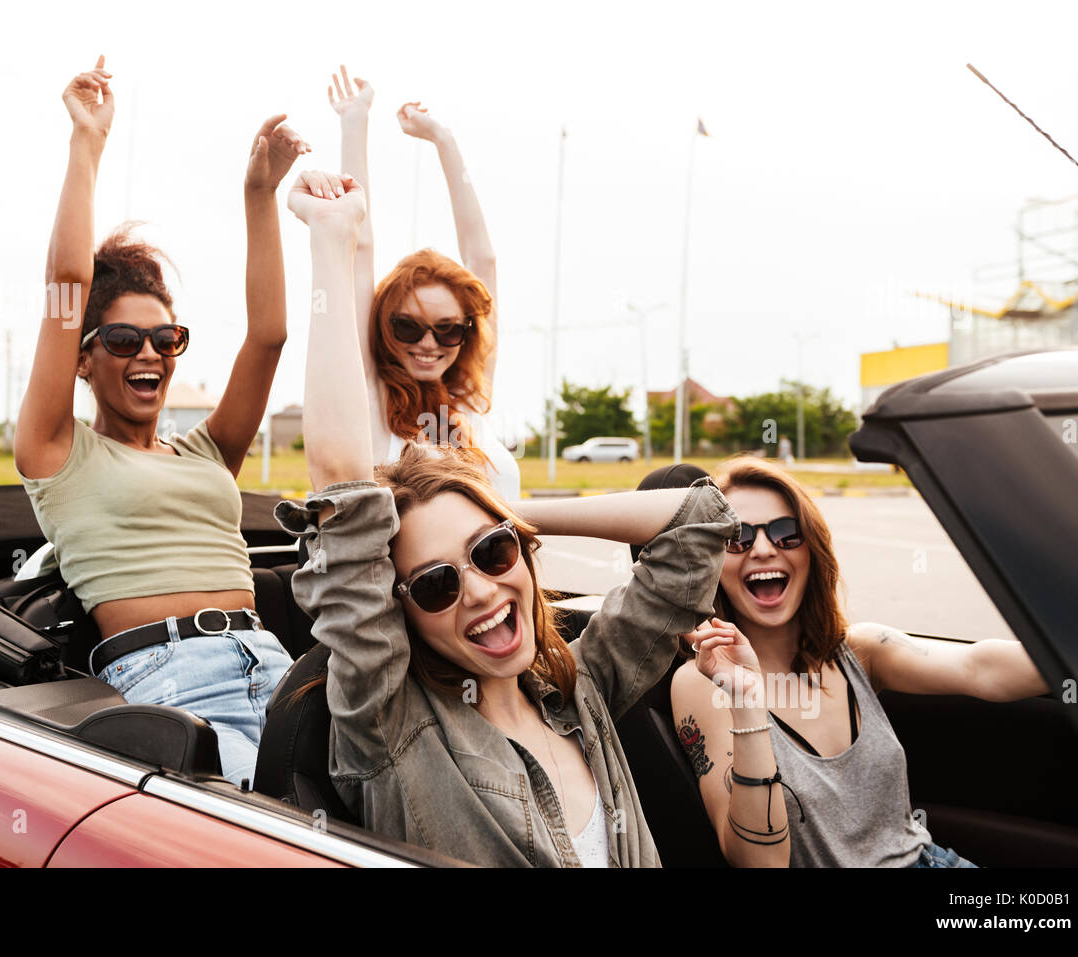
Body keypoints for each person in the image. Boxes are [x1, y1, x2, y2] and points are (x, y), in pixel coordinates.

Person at [276, 169, 739, 866]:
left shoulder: (583, 684)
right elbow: (340, 490)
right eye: (437, 584)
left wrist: (504, 512)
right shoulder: (393, 728)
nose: (484, 590)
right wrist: (329, 238)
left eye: (491, 553)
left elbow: (700, 520)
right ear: (399, 612)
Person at [13, 57, 303, 787]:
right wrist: (87, 145)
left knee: (392, 808)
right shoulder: (59, 452)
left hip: (274, 662)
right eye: (121, 339)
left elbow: (268, 337)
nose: (149, 352)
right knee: (275, 834)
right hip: (170, 682)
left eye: (166, 338)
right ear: (83, 359)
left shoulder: (206, 450)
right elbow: (64, 287)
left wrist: (259, 194)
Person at [669, 456, 1049, 867]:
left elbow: (979, 667)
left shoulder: (859, 650)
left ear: (811, 549)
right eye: (736, 538)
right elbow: (760, 864)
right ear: (713, 562)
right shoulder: (704, 683)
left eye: (786, 533)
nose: (763, 549)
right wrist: (745, 697)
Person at [325, 65, 520, 499]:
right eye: (408, 326)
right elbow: (359, 251)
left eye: (448, 328)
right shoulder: (371, 401)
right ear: (383, 326)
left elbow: (483, 261)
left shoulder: (467, 400)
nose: (429, 343)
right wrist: (355, 121)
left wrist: (444, 141)